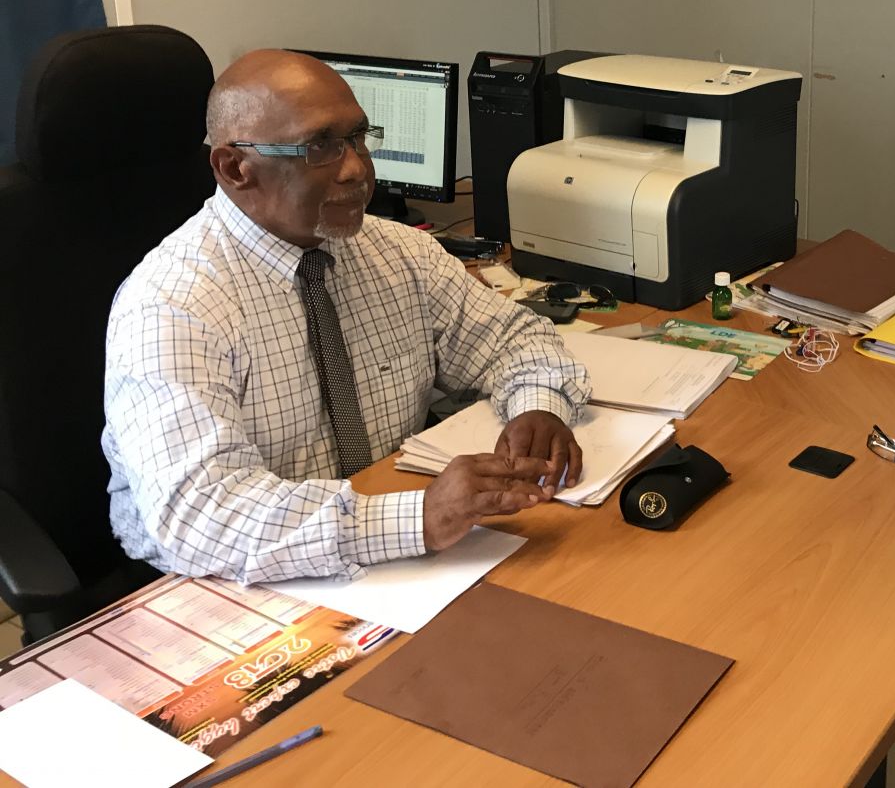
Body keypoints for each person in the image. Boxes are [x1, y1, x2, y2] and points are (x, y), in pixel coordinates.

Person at [103, 49, 591, 583]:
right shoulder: (172, 306)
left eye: (358, 137)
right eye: (320, 147)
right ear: (236, 168)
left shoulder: (397, 253)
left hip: (388, 552)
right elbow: (201, 516)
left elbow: (514, 340)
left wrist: (537, 408)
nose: (357, 168)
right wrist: (420, 517)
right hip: (226, 579)